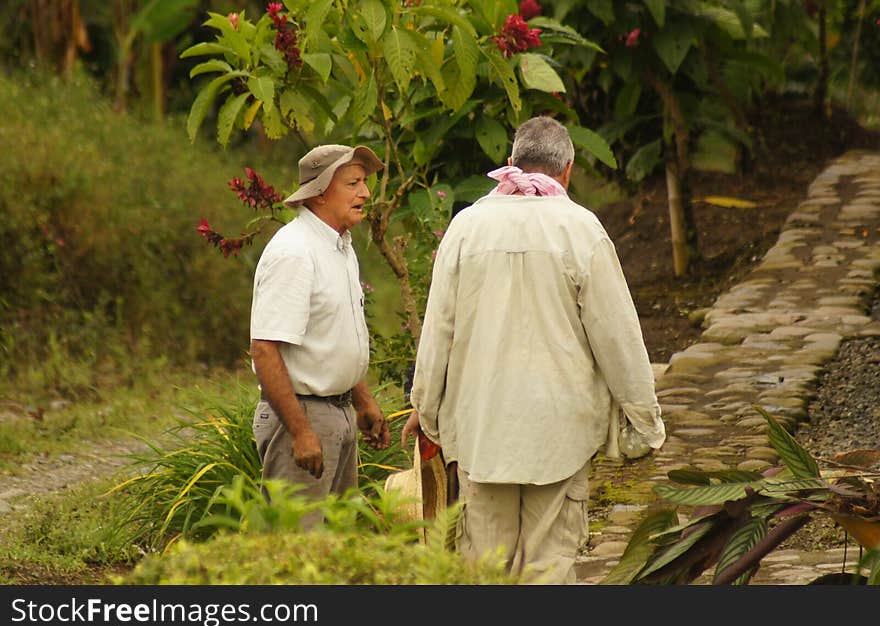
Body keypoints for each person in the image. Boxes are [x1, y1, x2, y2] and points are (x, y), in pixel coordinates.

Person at [401, 116, 666, 583]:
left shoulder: (466, 228)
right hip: (559, 432)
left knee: (484, 569)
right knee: (549, 566)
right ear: (568, 169)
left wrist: (426, 409)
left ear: (510, 164)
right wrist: (645, 420)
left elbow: (437, 329)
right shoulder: (581, 229)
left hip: (482, 430)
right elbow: (617, 334)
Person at [250, 143, 391, 530]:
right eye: (354, 183)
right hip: (303, 415)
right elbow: (264, 350)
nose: (365, 193)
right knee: (296, 555)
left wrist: (361, 400)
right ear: (321, 192)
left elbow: (333, 336)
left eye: (365, 183)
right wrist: (300, 431)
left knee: (337, 549)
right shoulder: (295, 252)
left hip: (337, 414)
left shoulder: (340, 247)